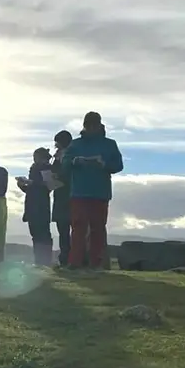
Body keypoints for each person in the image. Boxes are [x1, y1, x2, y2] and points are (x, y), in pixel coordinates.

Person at [61, 112, 123, 270]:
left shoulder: (110, 144)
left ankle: (96, 263)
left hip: (100, 192)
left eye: (93, 125)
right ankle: (75, 262)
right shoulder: (75, 144)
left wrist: (104, 164)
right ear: (85, 126)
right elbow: (65, 163)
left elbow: (118, 165)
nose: (91, 128)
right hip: (80, 192)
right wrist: (75, 161)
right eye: (88, 125)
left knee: (98, 228)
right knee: (78, 227)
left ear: (99, 125)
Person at [17, 147, 55, 266]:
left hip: (41, 204)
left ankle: (45, 260)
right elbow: (31, 190)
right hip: (32, 203)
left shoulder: (47, 169)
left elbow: (49, 186)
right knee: (35, 233)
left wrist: (32, 183)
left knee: (43, 233)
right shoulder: (34, 168)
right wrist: (23, 185)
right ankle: (39, 260)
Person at [50, 130, 74, 267]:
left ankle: (73, 258)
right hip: (59, 195)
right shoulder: (56, 157)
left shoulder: (71, 156)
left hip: (70, 195)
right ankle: (64, 257)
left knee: (73, 228)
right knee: (62, 229)